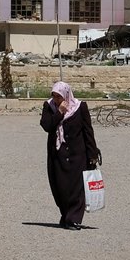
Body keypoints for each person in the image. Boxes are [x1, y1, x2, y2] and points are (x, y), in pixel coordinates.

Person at [40, 81, 100, 230]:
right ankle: (66, 215)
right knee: (61, 188)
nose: (56, 99)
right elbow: (47, 126)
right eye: (54, 96)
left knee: (77, 188)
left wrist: (92, 154)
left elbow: (88, 131)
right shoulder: (49, 106)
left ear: (66, 95)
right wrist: (59, 112)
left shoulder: (80, 107)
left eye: (59, 96)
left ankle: (73, 219)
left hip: (77, 155)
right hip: (57, 155)